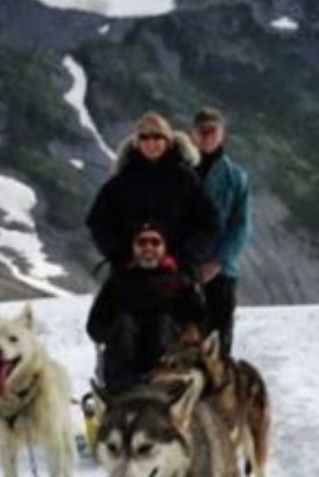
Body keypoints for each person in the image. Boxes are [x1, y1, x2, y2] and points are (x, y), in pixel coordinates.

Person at [86, 111, 219, 276]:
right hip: (130, 275)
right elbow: (98, 221)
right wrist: (123, 254)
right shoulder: (122, 181)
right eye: (144, 137)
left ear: (168, 141)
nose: (151, 143)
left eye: (157, 137)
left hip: (176, 274)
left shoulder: (186, 180)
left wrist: (182, 255)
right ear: (137, 142)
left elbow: (210, 223)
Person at [86, 221, 206, 390]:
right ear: (133, 247)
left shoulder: (180, 281)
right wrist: (115, 328)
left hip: (167, 367)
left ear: (164, 247)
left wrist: (186, 332)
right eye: (142, 242)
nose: (148, 247)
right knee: (124, 323)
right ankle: (123, 386)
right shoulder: (118, 281)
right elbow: (95, 326)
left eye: (155, 242)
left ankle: (158, 383)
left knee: (162, 323)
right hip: (123, 366)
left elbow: (199, 322)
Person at [190, 107, 251, 356]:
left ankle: (217, 390)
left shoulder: (236, 178)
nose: (206, 137)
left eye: (211, 131)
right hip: (184, 266)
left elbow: (241, 225)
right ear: (192, 134)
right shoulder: (181, 171)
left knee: (218, 339)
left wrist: (219, 261)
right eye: (201, 131)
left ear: (222, 134)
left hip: (221, 271)